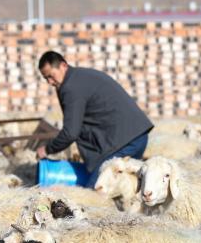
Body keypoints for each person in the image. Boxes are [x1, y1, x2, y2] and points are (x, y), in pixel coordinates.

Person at [36, 51, 153, 187]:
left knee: (94, 192)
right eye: (46, 78)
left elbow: (70, 133)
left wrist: (47, 149)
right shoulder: (78, 77)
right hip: (135, 136)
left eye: (51, 76)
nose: (50, 82)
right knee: (119, 189)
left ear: (63, 66)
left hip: (123, 143)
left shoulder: (71, 87)